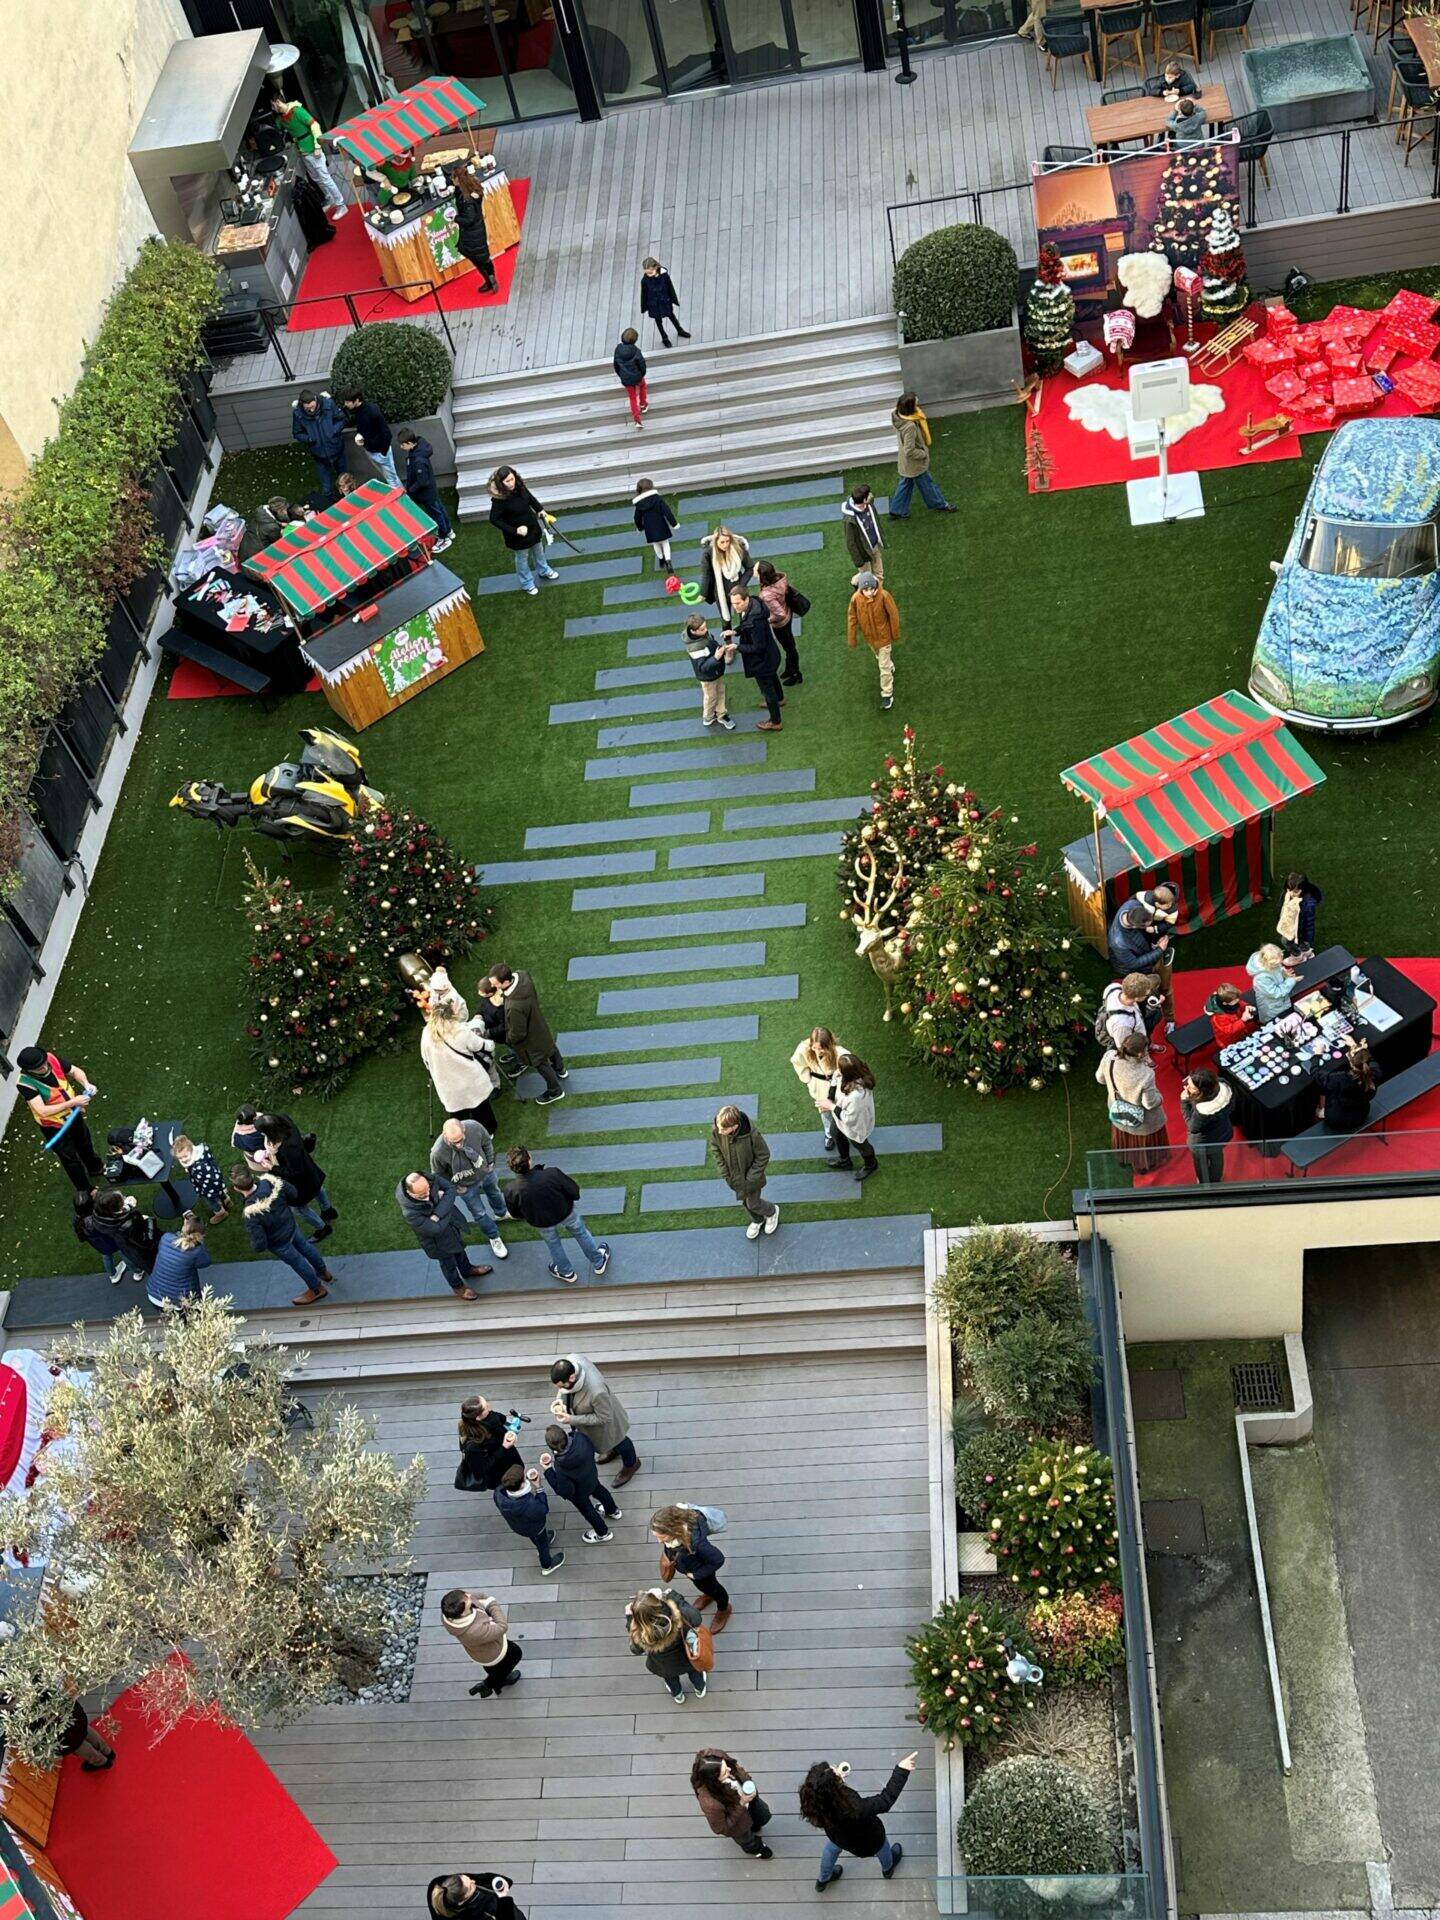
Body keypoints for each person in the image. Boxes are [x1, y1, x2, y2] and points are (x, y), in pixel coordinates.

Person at [801, 1751, 917, 1891]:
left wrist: (836, 1782)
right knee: (883, 1847)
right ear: (833, 1787)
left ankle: (823, 1879)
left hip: (838, 1837)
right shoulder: (853, 1807)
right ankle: (888, 1869)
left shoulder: (813, 1800)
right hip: (868, 1840)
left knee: (830, 1850)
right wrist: (901, 1771)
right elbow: (885, 1800)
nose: (836, 1768)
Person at [231, 1166, 336, 1305]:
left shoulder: (251, 1213)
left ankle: (317, 1289)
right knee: (306, 1247)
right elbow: (293, 1193)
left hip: (278, 1243)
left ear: (237, 1188)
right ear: (251, 1176)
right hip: (291, 1226)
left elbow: (259, 1245)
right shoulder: (271, 1182)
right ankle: (324, 1273)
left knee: (298, 1263)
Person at [505, 1148, 611, 1284]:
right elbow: (573, 1190)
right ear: (529, 1160)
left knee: (553, 1244)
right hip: (566, 1212)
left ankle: (566, 1272)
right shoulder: (552, 1173)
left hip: (541, 1222)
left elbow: (515, 1213)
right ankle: (598, 1262)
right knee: (581, 1234)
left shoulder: (511, 1189)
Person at [418, 967, 501, 1132]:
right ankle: (488, 1131)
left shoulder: (426, 1034)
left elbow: (425, 1059)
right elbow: (480, 1045)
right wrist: (490, 1044)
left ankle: (460, 1133)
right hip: (469, 1079)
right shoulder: (458, 1030)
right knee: (480, 1108)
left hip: (446, 1084)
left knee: (458, 1113)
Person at [15, 1045, 101, 1191]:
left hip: (73, 1115)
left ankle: (96, 1167)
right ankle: (86, 1190)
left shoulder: (51, 1058)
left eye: (43, 1063)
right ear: (29, 1070)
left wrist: (86, 1084)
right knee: (70, 1159)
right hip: (54, 1126)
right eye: (38, 1068)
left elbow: (74, 1071)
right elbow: (42, 1111)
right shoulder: (24, 1083)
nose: (43, 1067)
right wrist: (72, 1103)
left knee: (85, 1142)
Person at [397, 1172, 494, 1301]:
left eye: (428, 1189)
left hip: (451, 1228)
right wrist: (445, 1205)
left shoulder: (429, 1178)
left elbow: (450, 1189)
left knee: (460, 1250)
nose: (428, 1195)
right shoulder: (410, 1213)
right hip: (437, 1242)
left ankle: (467, 1270)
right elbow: (436, 1229)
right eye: (422, 1195)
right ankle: (458, 1287)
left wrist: (437, 1215)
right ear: (411, 1194)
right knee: (448, 1265)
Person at [549, 1352, 642, 1485]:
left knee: (620, 1441)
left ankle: (631, 1464)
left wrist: (572, 1419)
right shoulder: (572, 1360)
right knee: (611, 1443)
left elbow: (603, 1417)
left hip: (608, 1424)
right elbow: (563, 1390)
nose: (560, 1389)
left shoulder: (597, 1392)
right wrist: (560, 1402)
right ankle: (612, 1450)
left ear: (572, 1377)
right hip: (594, 1419)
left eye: (562, 1386)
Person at [431, 1118, 509, 1260]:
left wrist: (490, 1162)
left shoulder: (474, 1127)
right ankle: (494, 1237)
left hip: (486, 1173)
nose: (458, 1145)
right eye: (454, 1142)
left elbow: (486, 1142)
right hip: (465, 1186)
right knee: (479, 1213)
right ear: (444, 1134)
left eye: (460, 1140)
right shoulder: (437, 1152)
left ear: (464, 1129)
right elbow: (439, 1175)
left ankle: (501, 1213)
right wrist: (455, 1187)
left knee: (495, 1193)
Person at [490, 963, 566, 1105]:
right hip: (538, 1024)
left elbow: (518, 1033)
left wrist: (508, 1039)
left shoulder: (514, 1007)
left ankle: (555, 1091)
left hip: (530, 1041)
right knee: (550, 1046)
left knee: (541, 1063)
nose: (493, 986)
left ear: (506, 982)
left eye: (496, 984)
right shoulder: (523, 976)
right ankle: (560, 1069)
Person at [257, 1111, 337, 1240]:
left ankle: (323, 1228)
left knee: (300, 1208)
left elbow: (294, 1173)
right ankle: (328, 1211)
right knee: (318, 1188)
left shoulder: (288, 1150)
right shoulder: (285, 1121)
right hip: (309, 1169)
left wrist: (272, 1167)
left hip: (299, 1182)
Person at [1096, 1031, 1168, 1173]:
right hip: (1143, 1121)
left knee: (1124, 1136)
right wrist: (1160, 1097)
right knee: (1142, 1144)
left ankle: (1124, 1158)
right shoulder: (1146, 1074)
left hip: (1117, 1109)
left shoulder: (1109, 1057)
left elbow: (1100, 1079)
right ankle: (1143, 1165)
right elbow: (1149, 1103)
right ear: (1141, 1053)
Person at [270, 86, 347, 219]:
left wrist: (317, 146)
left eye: (273, 105)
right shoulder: (282, 118)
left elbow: (315, 125)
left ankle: (341, 205)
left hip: (312, 149)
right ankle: (330, 198)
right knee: (316, 178)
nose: (272, 108)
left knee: (325, 178)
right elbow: (279, 128)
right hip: (303, 151)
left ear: (278, 102)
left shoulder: (297, 111)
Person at [652, 1503, 731, 1629]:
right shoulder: (676, 1533)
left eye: (663, 1537)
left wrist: (696, 1575)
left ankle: (724, 1608)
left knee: (715, 1589)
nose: (659, 1541)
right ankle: (708, 1595)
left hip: (699, 1571)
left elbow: (718, 1559)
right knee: (705, 1588)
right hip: (689, 1567)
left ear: (674, 1530)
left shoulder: (697, 1544)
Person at [487, 465, 560, 597]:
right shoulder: (499, 500)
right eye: (507, 481)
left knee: (539, 550)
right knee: (522, 558)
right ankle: (527, 583)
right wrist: (515, 530)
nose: (511, 483)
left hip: (532, 527)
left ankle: (544, 570)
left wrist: (540, 509)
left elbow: (530, 498)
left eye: (512, 479)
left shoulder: (519, 486)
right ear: (501, 483)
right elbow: (494, 519)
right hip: (517, 536)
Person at [541, 1423, 620, 1543]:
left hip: (579, 1493)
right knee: (600, 1491)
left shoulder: (561, 1466)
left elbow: (564, 1491)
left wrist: (548, 1470)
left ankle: (603, 1533)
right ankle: (613, 1511)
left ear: (553, 1448)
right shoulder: (581, 1438)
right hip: (591, 1476)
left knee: (588, 1510)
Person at [627, 1587, 706, 1705]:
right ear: (659, 1604)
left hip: (664, 1665)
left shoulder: (640, 1633)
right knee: (695, 1673)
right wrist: (673, 1596)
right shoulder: (679, 1615)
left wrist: (630, 1619)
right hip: (687, 1657)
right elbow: (696, 1618)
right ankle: (699, 1689)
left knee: (670, 1679)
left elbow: (636, 1650)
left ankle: (678, 1695)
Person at [440, 1587, 523, 1699]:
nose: (470, 1596)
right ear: (463, 1613)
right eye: (467, 1599)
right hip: (494, 1653)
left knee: (493, 1669)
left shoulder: (449, 1612)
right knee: (515, 1654)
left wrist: (476, 1599)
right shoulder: (473, 1631)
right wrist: (492, 1603)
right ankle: (490, 1684)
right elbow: (502, 1626)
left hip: (480, 1652)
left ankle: (494, 1683)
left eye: (466, 1594)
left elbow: (480, 1595)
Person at [711, 1105, 779, 1240]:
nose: (719, 1131)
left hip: (751, 1179)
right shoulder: (718, 1130)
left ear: (734, 1126)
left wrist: (751, 1177)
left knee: (753, 1203)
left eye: (723, 1129)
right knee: (744, 1201)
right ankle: (758, 1220)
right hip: (733, 1178)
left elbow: (764, 1155)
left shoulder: (752, 1135)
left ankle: (772, 1211)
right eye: (718, 1127)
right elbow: (715, 1148)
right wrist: (725, 1171)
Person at [691, 1750, 773, 1859]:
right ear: (714, 1779)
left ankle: (755, 1825)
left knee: (762, 1817)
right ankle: (757, 1849)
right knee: (748, 1841)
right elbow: (722, 1828)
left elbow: (739, 1770)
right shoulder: (711, 1804)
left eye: (727, 1766)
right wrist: (741, 1803)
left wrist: (748, 1782)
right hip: (738, 1824)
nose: (729, 1770)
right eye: (724, 1773)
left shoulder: (718, 1760)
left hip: (751, 1804)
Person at [727, 587, 784, 731]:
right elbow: (746, 624)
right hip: (771, 655)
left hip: (762, 662)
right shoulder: (755, 605)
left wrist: (737, 647)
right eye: (733, 604)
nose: (735, 607)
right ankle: (780, 699)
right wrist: (735, 631)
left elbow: (758, 647)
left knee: (768, 692)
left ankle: (775, 722)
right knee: (773, 678)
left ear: (746, 599)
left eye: (738, 603)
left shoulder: (755, 622)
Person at [494, 1461, 565, 1575]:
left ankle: (542, 1542)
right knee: (542, 1545)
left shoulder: (498, 1493)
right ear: (522, 1484)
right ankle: (547, 1566)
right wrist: (539, 1488)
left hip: (518, 1526)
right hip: (536, 1528)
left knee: (534, 1537)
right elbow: (543, 1509)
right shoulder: (529, 1504)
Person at [890, 393, 954, 518]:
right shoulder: (910, 426)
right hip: (914, 463)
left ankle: (897, 510)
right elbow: (909, 450)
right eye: (915, 402)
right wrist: (923, 454)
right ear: (910, 407)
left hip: (906, 463)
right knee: (927, 484)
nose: (918, 403)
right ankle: (940, 504)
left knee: (906, 483)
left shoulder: (898, 416)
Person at [791, 1028, 855, 1153]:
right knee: (825, 1112)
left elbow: (850, 1066)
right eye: (814, 1047)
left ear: (829, 1044)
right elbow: (797, 1062)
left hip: (838, 1085)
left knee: (841, 1109)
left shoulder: (840, 1052)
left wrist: (842, 1079)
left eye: (821, 1048)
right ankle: (829, 1134)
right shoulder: (804, 1048)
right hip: (819, 1085)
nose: (817, 1051)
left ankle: (846, 1131)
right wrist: (808, 1078)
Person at [846, 571, 901, 713]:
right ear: (860, 589)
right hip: (870, 638)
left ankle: (887, 694)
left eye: (872, 588)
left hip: (884, 638)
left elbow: (893, 615)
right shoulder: (855, 599)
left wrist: (894, 633)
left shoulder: (884, 596)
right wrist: (852, 638)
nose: (870, 592)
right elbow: (852, 618)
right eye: (866, 589)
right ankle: (890, 665)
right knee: (880, 658)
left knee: (883, 668)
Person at [821, 1055, 879, 1181]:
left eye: (840, 1068)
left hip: (856, 1124)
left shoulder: (857, 1095)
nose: (838, 1070)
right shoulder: (847, 1076)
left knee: (861, 1145)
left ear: (847, 1073)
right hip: (840, 1116)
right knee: (835, 1133)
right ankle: (845, 1161)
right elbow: (835, 1088)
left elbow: (849, 1118)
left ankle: (871, 1165)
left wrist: (830, 1106)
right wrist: (830, 1095)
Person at [399, 428, 454, 551]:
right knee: (439, 510)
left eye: (403, 445)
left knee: (436, 515)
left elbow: (422, 481)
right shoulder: (419, 451)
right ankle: (448, 531)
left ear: (409, 443)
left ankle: (444, 538)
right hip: (430, 491)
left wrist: (410, 490)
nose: (401, 447)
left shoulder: (418, 460)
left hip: (426, 494)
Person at [146, 1211, 212, 1312]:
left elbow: (179, 1240)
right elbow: (206, 1262)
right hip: (178, 1301)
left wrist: (187, 1225)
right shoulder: (197, 1251)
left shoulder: (166, 1238)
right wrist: (200, 1243)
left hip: (154, 1294)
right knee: (191, 1318)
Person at [456, 1395, 524, 1491]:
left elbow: (499, 1417)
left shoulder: (489, 1415)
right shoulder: (472, 1445)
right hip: (499, 1472)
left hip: (509, 1457)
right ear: (478, 1417)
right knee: (508, 1488)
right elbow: (480, 1470)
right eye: (485, 1407)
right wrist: (504, 1447)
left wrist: (510, 1423)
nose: (489, 1405)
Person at [290, 390, 348, 504]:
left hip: (337, 450)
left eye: (312, 407)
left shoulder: (328, 405)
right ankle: (330, 506)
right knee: (326, 489)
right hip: (319, 456)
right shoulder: (298, 414)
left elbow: (341, 419)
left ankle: (349, 499)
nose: (311, 410)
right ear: (302, 405)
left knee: (345, 480)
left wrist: (334, 431)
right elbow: (297, 433)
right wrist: (309, 439)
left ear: (316, 400)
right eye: (308, 409)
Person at [92, 1189, 159, 1285]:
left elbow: (117, 1215)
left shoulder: (101, 1217)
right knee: (156, 1267)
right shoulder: (128, 1225)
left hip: (127, 1249)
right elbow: (148, 1241)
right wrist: (149, 1220)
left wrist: (128, 1207)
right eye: (122, 1198)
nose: (125, 1198)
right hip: (142, 1253)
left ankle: (140, 1272)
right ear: (118, 1206)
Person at [1180, 1068, 1234, 1186]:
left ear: (1202, 1091)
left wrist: (1185, 1102)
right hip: (1223, 1133)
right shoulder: (1224, 1085)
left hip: (1203, 1142)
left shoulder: (1203, 1110)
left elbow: (1192, 1127)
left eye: (1191, 1087)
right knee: (1217, 1156)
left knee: (1200, 1163)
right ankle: (1216, 1179)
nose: (1187, 1088)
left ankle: (1204, 1183)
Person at [685, 613, 737, 732]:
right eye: (702, 629)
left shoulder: (702, 636)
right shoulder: (695, 647)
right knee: (711, 697)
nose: (706, 630)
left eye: (705, 627)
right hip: (708, 676)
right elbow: (702, 667)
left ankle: (720, 714)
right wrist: (716, 657)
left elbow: (712, 644)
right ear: (693, 631)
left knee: (720, 691)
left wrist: (719, 649)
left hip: (715, 672)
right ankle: (709, 717)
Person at [338, 387, 399, 487]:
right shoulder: (358, 410)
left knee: (392, 480)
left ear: (356, 400)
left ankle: (402, 496)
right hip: (371, 450)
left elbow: (387, 433)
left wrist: (383, 453)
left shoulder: (371, 411)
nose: (345, 404)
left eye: (348, 402)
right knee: (389, 478)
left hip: (380, 452)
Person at [755, 559, 803, 686]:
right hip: (788, 613)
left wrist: (767, 620)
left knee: (789, 648)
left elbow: (779, 614)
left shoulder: (767, 594)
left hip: (781, 624)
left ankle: (796, 674)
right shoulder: (780, 578)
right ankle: (790, 669)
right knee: (790, 647)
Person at [1317, 1037, 1379, 1133]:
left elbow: (1317, 1075)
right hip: (1361, 1114)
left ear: (1351, 1063)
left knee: (1324, 1090)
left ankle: (1321, 1111)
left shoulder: (1342, 1079)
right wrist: (1355, 1046)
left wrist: (1317, 1055)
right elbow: (1368, 1059)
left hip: (1337, 1120)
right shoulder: (1375, 1072)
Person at [452, 167, 499, 292]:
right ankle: (491, 276)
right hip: (479, 228)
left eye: (453, 178)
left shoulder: (466, 198)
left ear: (458, 179)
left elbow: (469, 218)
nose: (452, 180)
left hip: (470, 233)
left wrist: (456, 218)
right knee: (483, 255)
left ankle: (489, 281)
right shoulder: (473, 187)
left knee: (476, 258)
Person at [171, 1134, 228, 1221]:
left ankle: (221, 1213)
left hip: (208, 1188)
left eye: (185, 1156)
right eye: (180, 1158)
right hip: (217, 1180)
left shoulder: (198, 1167)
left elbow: (204, 1180)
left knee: (212, 1201)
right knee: (220, 1192)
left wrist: (204, 1192)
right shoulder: (201, 1152)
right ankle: (227, 1201)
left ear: (191, 1150)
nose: (183, 1160)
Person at [1108, 899, 1170, 978]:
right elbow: (1134, 963)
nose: (1149, 927)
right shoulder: (1118, 943)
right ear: (1134, 927)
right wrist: (1159, 950)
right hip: (1130, 967)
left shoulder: (1133, 904)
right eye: (1147, 926)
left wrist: (1154, 944)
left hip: (1141, 948)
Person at [73, 1190, 124, 1284]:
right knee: (124, 1252)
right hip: (111, 1240)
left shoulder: (77, 1219)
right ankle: (137, 1271)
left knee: (106, 1256)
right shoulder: (96, 1218)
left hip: (98, 1245)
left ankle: (113, 1275)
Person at [1095, 972, 1155, 1052]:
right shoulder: (1122, 1025)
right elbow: (1124, 1048)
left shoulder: (1113, 987)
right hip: (1136, 1041)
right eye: (1146, 995)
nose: (1147, 995)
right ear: (1137, 998)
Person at [426, 1871, 522, 1920]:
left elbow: (479, 1878)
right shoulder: (481, 1914)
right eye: (471, 1887)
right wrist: (503, 1898)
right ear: (463, 1900)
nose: (473, 1881)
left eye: (466, 1877)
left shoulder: (439, 1887)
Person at [640, 257, 691, 347]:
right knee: (658, 322)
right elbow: (643, 294)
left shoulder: (664, 275)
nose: (649, 274)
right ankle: (664, 338)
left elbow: (670, 287)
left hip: (665, 302)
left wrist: (673, 299)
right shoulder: (645, 281)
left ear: (656, 267)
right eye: (647, 273)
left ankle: (680, 330)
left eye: (650, 272)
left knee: (672, 317)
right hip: (654, 305)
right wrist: (644, 306)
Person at [699, 525, 751, 611]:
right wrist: (703, 593)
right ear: (716, 541)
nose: (725, 545)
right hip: (720, 590)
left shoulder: (738, 548)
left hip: (738, 587)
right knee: (725, 616)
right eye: (722, 542)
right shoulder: (709, 553)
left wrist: (741, 585)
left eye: (727, 541)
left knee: (745, 613)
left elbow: (750, 568)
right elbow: (706, 573)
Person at [842, 483, 885, 584]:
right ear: (864, 500)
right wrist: (859, 562)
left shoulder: (868, 504)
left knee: (879, 573)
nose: (871, 495)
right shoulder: (849, 520)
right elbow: (850, 543)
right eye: (869, 494)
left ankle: (879, 592)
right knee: (867, 578)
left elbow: (871, 499)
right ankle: (856, 582)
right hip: (863, 552)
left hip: (874, 546)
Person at [58, 1700, 116, 1773]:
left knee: (73, 1742)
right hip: (69, 1708)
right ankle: (107, 1751)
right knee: (81, 1727)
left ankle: (100, 1761)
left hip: (56, 1719)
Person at [634, 478, 679, 569]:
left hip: (649, 529)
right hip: (661, 525)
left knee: (656, 544)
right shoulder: (657, 499)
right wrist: (674, 524)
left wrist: (640, 527)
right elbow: (667, 512)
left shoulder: (639, 504)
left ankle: (661, 559)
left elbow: (637, 518)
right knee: (665, 543)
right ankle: (668, 562)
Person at [1277, 871, 1323, 957]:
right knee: (1300, 943)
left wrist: (1306, 938)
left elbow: (1309, 923)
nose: (1291, 893)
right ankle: (1306, 951)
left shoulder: (1307, 905)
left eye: (1295, 891)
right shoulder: (1289, 894)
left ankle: (1297, 955)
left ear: (1303, 889)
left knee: (1285, 941)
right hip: (1292, 925)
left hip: (1299, 930)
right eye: (1289, 889)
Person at [1247, 943, 1295, 1024]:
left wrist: (1283, 972)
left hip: (1281, 1001)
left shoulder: (1271, 963)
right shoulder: (1261, 978)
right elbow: (1276, 993)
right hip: (1271, 1007)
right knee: (1275, 1023)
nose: (1279, 964)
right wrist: (1291, 980)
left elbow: (1277, 969)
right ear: (1267, 962)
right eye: (1276, 964)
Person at [614, 327, 649, 428]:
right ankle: (643, 404)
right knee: (643, 386)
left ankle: (637, 421)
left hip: (626, 378)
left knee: (632, 398)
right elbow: (642, 364)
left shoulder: (618, 350)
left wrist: (621, 375)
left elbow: (616, 365)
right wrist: (642, 374)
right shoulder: (636, 351)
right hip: (637, 377)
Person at [1204, 982, 1255, 1049]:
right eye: (1235, 1000)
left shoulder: (1231, 1000)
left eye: (1237, 998)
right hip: (1229, 1040)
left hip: (1239, 1032)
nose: (1238, 1000)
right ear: (1225, 1003)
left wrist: (1246, 1006)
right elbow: (1229, 1030)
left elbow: (1240, 1004)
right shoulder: (1218, 1017)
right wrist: (1243, 1020)